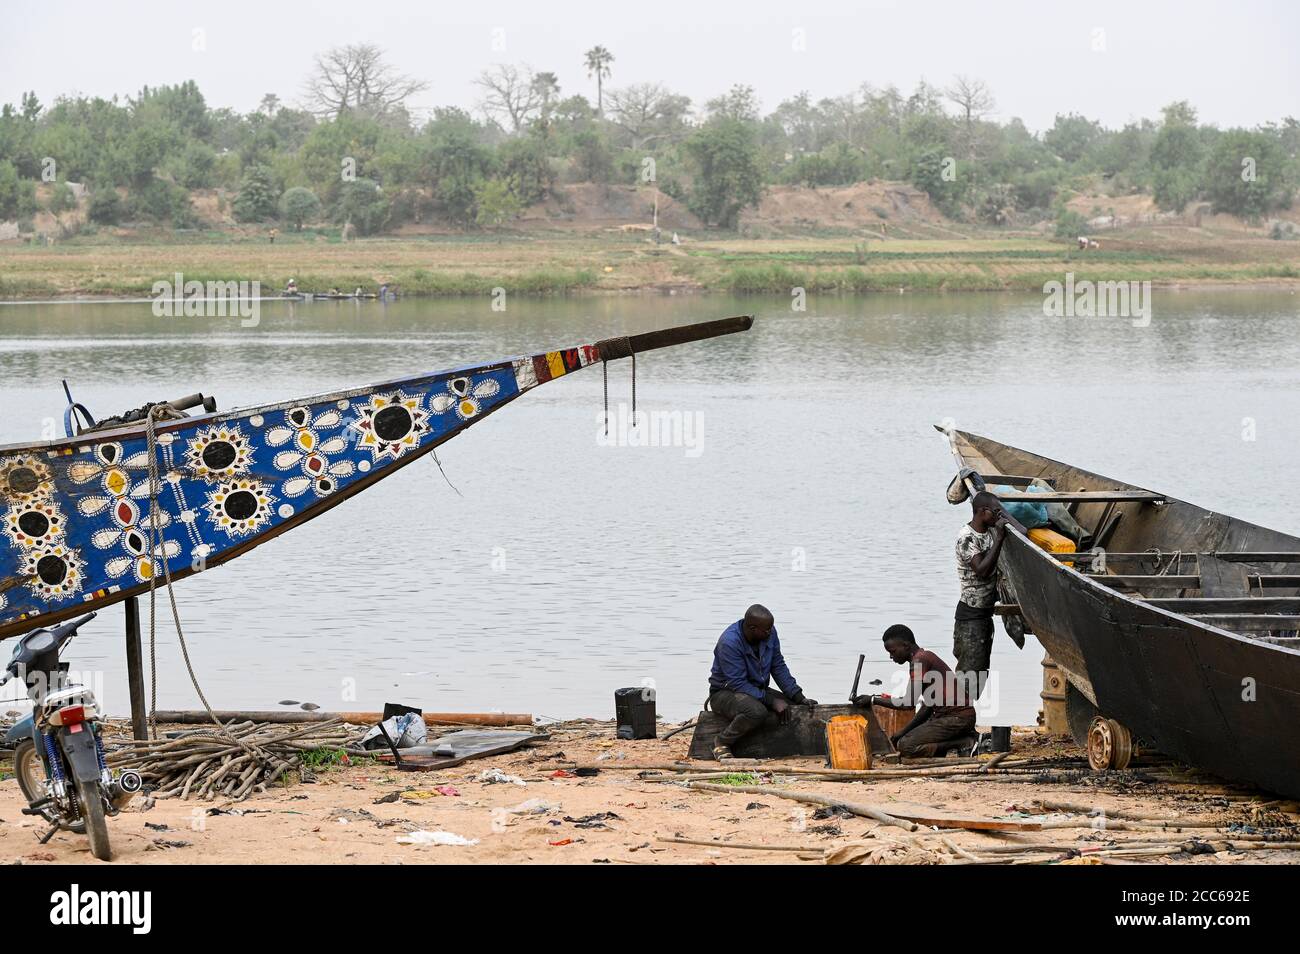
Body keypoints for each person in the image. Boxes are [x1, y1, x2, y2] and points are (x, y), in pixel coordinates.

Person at [707, 604, 817, 760]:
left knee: (793, 707)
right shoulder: (729, 642)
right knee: (757, 712)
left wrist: (798, 696)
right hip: (726, 692)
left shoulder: (769, 633)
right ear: (752, 628)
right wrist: (771, 701)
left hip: (756, 689)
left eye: (771, 628)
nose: (770, 632)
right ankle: (721, 742)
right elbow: (738, 684)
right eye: (766, 630)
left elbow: (778, 666)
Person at [854, 624, 976, 757]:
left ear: (906, 646)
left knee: (906, 746)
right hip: (956, 718)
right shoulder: (923, 657)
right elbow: (927, 707)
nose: (891, 657)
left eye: (893, 651)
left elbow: (908, 703)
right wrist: (904, 731)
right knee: (905, 739)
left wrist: (873, 699)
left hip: (957, 718)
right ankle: (958, 741)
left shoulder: (919, 661)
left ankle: (962, 743)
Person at [954, 490, 1022, 702]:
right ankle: (959, 717)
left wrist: (1003, 515)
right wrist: (1000, 538)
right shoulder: (966, 538)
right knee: (969, 675)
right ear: (982, 512)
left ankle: (963, 717)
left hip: (983, 616)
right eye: (995, 512)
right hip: (970, 617)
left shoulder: (990, 530)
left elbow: (1023, 531)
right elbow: (982, 569)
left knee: (979, 673)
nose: (998, 516)